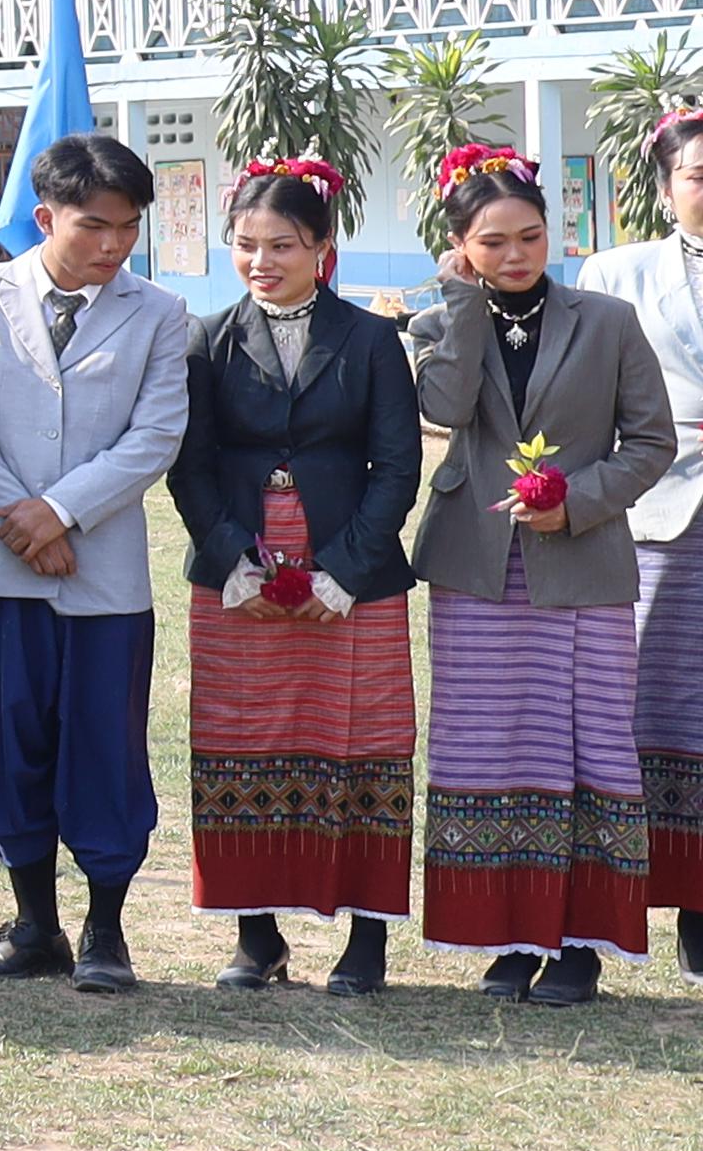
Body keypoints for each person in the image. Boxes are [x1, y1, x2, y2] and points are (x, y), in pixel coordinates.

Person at [406, 143, 678, 1004]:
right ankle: (507, 936)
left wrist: (580, 501)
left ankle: (580, 943)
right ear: (459, 247)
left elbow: (652, 442)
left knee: (587, 741)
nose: (516, 256)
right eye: (492, 243)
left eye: (530, 236)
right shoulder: (440, 318)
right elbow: (443, 410)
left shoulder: (606, 321)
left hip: (584, 562)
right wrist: (461, 304)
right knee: (490, 743)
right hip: (475, 569)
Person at [0, 130, 193, 991]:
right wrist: (19, 518)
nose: (114, 245)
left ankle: (106, 931)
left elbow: (156, 435)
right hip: (0, 568)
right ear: (45, 216)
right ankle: (33, 923)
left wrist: (61, 513)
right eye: (94, 226)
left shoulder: (158, 312)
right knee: (2, 743)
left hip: (102, 570)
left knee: (105, 747)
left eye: (128, 228)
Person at [169, 160, 421, 994]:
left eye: (282, 244)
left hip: (352, 569)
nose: (261, 260)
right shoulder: (205, 338)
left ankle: (368, 941)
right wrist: (232, 557)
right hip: (238, 570)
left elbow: (396, 465)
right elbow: (190, 465)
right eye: (245, 245)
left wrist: (345, 570)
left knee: (364, 745)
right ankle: (256, 935)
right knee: (244, 741)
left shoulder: (372, 339)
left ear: (323, 247)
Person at [587, 107, 703, 974]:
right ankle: (645, 898)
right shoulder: (616, 273)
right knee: (648, 712)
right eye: (698, 176)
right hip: (660, 512)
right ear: (666, 189)